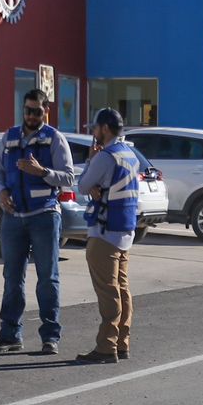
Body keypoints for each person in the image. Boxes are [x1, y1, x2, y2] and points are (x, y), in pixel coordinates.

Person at [0, 89, 76, 355]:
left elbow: (69, 177)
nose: (31, 115)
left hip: (45, 216)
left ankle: (50, 337)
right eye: (28, 110)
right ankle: (10, 335)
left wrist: (42, 172)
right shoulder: (10, 137)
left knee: (47, 278)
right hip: (14, 218)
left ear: (46, 112)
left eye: (37, 111)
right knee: (12, 277)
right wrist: (1, 192)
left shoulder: (54, 140)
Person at [75, 107, 141, 365]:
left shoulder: (106, 157)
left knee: (108, 291)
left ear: (104, 128)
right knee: (122, 290)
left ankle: (106, 346)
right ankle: (122, 342)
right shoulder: (131, 155)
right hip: (125, 230)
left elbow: (82, 185)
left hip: (104, 233)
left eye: (95, 127)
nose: (93, 132)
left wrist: (92, 160)